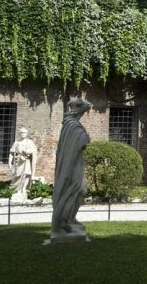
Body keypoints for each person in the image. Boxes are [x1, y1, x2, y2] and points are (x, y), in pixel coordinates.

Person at [51, 98, 92, 239]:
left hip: (76, 162)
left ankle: (70, 218)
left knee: (81, 190)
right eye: (85, 110)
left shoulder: (73, 124)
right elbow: (79, 142)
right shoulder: (71, 125)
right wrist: (86, 138)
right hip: (72, 163)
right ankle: (61, 223)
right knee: (74, 189)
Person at [8, 127, 38, 201]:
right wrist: (9, 163)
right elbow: (11, 153)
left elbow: (34, 151)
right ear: (19, 133)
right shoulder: (17, 142)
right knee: (17, 175)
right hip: (18, 162)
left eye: (24, 133)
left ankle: (24, 188)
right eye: (21, 132)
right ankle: (16, 189)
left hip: (26, 161)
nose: (23, 134)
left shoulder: (30, 142)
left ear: (26, 134)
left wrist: (28, 151)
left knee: (27, 174)